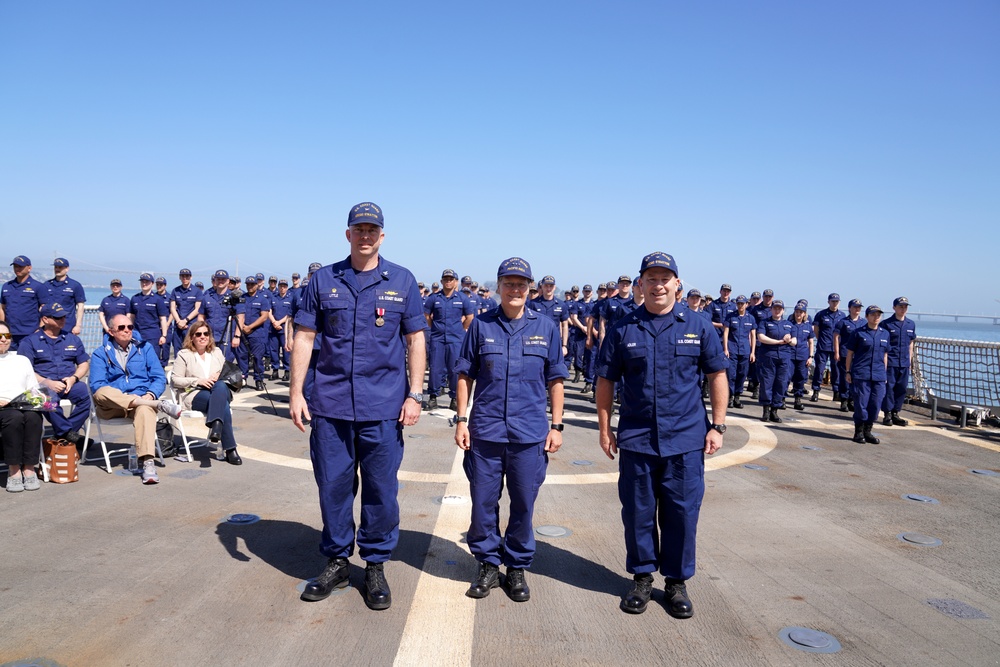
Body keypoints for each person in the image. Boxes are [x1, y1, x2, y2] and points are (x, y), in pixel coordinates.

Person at [290, 202, 426, 611]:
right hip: (330, 405)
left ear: (382, 236)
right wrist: (296, 392)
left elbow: (415, 339)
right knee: (333, 486)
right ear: (347, 234)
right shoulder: (323, 279)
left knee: (381, 491)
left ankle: (375, 565)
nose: (365, 235)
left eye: (372, 229)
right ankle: (336, 561)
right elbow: (305, 336)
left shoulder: (402, 280)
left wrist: (415, 394)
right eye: (358, 229)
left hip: (383, 406)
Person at [596, 251, 728, 618]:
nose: (658, 285)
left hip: (685, 439)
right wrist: (605, 428)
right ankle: (641, 578)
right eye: (651, 278)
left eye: (664, 278)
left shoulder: (699, 325)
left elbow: (717, 374)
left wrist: (717, 425)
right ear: (640, 284)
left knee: (682, 513)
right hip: (637, 438)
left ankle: (676, 583)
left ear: (677, 283)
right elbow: (605, 379)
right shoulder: (624, 327)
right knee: (638, 512)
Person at [454, 257, 567, 602]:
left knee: (523, 503)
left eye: (521, 284)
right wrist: (461, 418)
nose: (515, 290)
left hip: (529, 434)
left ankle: (516, 566)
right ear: (499, 287)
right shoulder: (481, 325)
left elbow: (556, 379)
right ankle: (488, 563)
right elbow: (464, 374)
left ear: (529, 288)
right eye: (509, 283)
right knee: (483, 503)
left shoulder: (545, 326)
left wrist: (557, 425)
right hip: (486, 432)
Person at [89, 314, 183, 484]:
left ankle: (148, 463)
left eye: (130, 327)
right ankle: (156, 404)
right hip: (113, 406)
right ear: (111, 332)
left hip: (141, 400)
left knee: (145, 409)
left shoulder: (145, 348)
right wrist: (127, 397)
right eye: (122, 328)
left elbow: (158, 377)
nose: (127, 330)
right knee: (101, 392)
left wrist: (150, 394)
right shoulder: (100, 353)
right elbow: (96, 385)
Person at [18, 303, 92, 445]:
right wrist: (48, 383)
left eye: (64, 316)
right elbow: (25, 370)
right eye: (58, 317)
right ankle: (68, 434)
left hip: (68, 383)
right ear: (45, 319)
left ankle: (62, 435)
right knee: (44, 398)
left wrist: (73, 378)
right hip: (41, 385)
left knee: (87, 395)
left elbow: (83, 364)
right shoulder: (29, 342)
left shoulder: (72, 339)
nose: (63, 320)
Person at [170, 322, 241, 464]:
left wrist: (218, 374)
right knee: (224, 406)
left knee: (220, 386)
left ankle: (216, 426)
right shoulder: (184, 355)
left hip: (220, 390)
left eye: (206, 333)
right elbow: (175, 379)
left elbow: (226, 372)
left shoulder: (217, 352)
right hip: (196, 393)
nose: (203, 337)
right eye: (198, 334)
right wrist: (198, 381)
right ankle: (230, 448)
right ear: (192, 337)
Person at [0, 321, 44, 492]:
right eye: (0, 336)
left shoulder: (21, 359)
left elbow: (33, 388)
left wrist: (38, 398)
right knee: (14, 418)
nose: (4, 340)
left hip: (21, 404)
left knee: (33, 417)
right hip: (3, 407)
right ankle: (14, 470)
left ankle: (29, 467)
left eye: (7, 336)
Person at [423, 269, 474, 410]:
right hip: (437, 338)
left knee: (454, 369)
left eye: (451, 279)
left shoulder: (462, 298)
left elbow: (470, 317)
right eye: (445, 279)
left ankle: (454, 398)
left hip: (456, 339)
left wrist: (460, 329)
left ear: (456, 282)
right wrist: (435, 327)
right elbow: (426, 315)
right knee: (435, 368)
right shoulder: (434, 298)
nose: (448, 281)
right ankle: (433, 397)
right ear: (441, 281)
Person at [845, 306, 891, 444]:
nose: (876, 317)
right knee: (861, 403)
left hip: (878, 375)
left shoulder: (885, 334)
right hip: (861, 373)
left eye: (878, 315)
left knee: (876, 405)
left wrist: (885, 373)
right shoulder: (858, 333)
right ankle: (858, 432)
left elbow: (885, 355)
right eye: (873, 315)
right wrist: (848, 371)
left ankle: (868, 431)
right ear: (867, 317)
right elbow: (850, 354)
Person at [756, 300, 797, 423]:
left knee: (781, 383)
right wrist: (778, 342)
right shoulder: (765, 323)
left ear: (783, 310)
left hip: (784, 357)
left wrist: (788, 340)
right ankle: (766, 410)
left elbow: (795, 342)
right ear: (771, 309)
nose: (777, 310)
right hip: (768, 356)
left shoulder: (789, 325)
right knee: (766, 383)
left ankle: (775, 410)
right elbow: (761, 338)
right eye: (775, 308)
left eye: (780, 308)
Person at [881, 297, 917, 427]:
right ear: (894, 308)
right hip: (890, 361)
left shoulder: (910, 324)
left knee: (901, 389)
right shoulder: (886, 324)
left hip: (904, 362)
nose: (903, 309)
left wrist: (910, 361)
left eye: (905, 307)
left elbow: (911, 344)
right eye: (900, 306)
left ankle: (896, 412)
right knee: (889, 388)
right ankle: (887, 414)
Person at [0, 256, 44, 348]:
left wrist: (40, 329)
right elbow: (2, 309)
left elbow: (44, 310)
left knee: (28, 360)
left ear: (29, 268)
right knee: (7, 359)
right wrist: (2, 330)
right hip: (9, 334)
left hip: (30, 333)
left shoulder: (38, 287)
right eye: (15, 266)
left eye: (20, 266)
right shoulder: (6, 286)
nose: (17, 269)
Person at [722, 295, 756, 409]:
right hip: (732, 349)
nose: (740, 306)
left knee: (742, 374)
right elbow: (726, 333)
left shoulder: (750, 318)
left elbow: (753, 336)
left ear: (746, 304)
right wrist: (725, 349)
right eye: (738, 303)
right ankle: (730, 397)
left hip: (745, 350)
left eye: (742, 303)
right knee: (731, 374)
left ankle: (737, 396)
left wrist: (752, 352)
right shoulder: (731, 316)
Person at [130, 273, 170, 367]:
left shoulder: (157, 299)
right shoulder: (135, 298)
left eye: (146, 282)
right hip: (137, 334)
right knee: (137, 360)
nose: (144, 284)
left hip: (152, 335)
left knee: (152, 360)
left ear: (152, 283)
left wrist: (164, 336)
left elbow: (163, 319)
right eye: (142, 282)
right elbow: (131, 317)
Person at [239, 276, 271, 390]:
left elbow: (264, 316)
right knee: (242, 356)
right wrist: (242, 327)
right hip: (243, 332)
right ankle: (243, 378)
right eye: (248, 284)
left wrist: (250, 327)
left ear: (256, 285)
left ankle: (259, 379)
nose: (250, 286)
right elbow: (238, 314)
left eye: (252, 284)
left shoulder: (262, 299)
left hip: (257, 333)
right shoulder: (242, 298)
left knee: (257, 357)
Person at [811, 294, 845, 402]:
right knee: (819, 369)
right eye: (833, 301)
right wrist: (821, 339)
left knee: (836, 370)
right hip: (823, 346)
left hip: (836, 347)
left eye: (836, 301)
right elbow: (816, 330)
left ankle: (836, 392)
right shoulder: (821, 314)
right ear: (828, 302)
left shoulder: (842, 315)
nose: (834, 303)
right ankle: (816, 391)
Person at [833, 299, 864, 412]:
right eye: (855, 307)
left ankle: (852, 400)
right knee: (845, 377)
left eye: (859, 307)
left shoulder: (863, 322)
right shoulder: (843, 322)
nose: (857, 309)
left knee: (856, 378)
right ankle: (844, 400)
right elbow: (836, 337)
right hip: (845, 354)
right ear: (849, 308)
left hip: (859, 356)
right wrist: (836, 352)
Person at [44, 258, 87, 335]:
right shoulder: (47, 285)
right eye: (56, 267)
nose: (57, 269)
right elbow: (42, 305)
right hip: (49, 326)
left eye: (60, 267)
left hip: (67, 326)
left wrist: (78, 325)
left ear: (67, 269)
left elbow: (80, 306)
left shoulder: (75, 285)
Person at [169, 269, 203, 361]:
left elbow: (197, 309)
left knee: (192, 350)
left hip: (190, 326)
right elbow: (172, 307)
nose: (185, 278)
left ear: (191, 277)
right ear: (180, 277)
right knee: (178, 351)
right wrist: (178, 321)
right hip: (178, 326)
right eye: (183, 276)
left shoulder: (197, 291)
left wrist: (185, 320)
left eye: (187, 276)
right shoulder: (175, 291)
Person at [789, 302, 815, 411]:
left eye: (801, 312)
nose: (798, 314)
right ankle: (781, 399)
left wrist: (810, 357)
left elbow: (811, 342)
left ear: (804, 314)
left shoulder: (808, 327)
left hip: (802, 355)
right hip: (789, 355)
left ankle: (798, 399)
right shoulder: (789, 324)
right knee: (786, 377)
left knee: (800, 378)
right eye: (797, 312)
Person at [268, 279, 294, 381]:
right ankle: (275, 371)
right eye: (281, 286)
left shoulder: (290, 298)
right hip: (273, 328)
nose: (282, 288)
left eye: (284, 286)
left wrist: (279, 322)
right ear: (278, 287)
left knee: (286, 350)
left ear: (287, 287)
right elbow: (269, 311)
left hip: (284, 328)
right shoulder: (273, 297)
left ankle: (287, 371)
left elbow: (290, 314)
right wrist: (274, 322)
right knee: (273, 350)